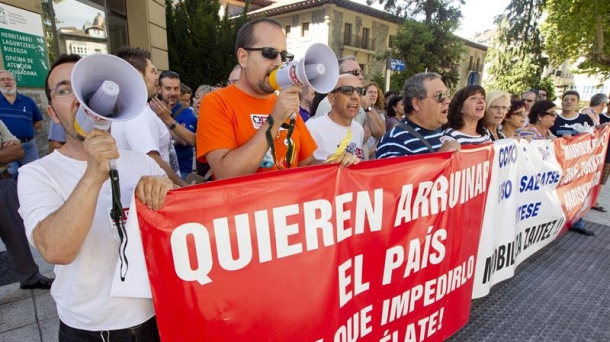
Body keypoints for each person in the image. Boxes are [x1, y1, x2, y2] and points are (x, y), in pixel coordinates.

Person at [18, 54, 174, 340]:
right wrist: (93, 173)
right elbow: (56, 250)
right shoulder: (36, 174)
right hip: (90, 327)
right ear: (52, 112)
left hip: (155, 316)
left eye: (86, 88)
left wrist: (167, 194)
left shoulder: (143, 163)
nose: (80, 99)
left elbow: (181, 229)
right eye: (65, 90)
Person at [197, 18, 317, 179]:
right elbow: (226, 174)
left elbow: (307, 163)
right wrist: (275, 120)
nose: (279, 62)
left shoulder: (283, 103)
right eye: (270, 53)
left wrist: (337, 165)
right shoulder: (216, 102)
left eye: (283, 55)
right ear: (243, 57)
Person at [111, 46, 186, 187]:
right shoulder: (138, 114)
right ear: (136, 74)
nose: (157, 77)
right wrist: (182, 186)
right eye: (152, 71)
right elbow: (152, 160)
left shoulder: (124, 109)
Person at [1, 119, 54, 290]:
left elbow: (17, 151)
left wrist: (9, 152)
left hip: (3, 182)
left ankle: (30, 277)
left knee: (16, 233)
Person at [376, 72, 460, 158]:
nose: (448, 101)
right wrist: (441, 155)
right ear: (416, 104)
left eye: (448, 94)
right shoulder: (394, 142)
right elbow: (399, 172)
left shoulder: (442, 134)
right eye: (440, 96)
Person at [306, 74, 365, 164]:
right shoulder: (311, 129)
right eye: (347, 90)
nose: (356, 96)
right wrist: (329, 166)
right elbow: (300, 170)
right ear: (331, 98)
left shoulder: (359, 129)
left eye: (360, 91)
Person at [150, 71, 198, 180]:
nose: (173, 93)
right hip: (155, 170)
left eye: (176, 89)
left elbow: (188, 141)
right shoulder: (149, 110)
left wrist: (166, 119)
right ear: (159, 89)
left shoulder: (188, 113)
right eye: (168, 88)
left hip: (181, 171)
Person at [0, 70, 44, 177]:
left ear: (14, 82)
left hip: (28, 145)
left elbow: (39, 121)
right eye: (2, 80)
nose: (6, 82)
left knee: (33, 173)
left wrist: (26, 132)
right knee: (11, 174)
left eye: (9, 79)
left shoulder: (27, 101)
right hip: (7, 148)